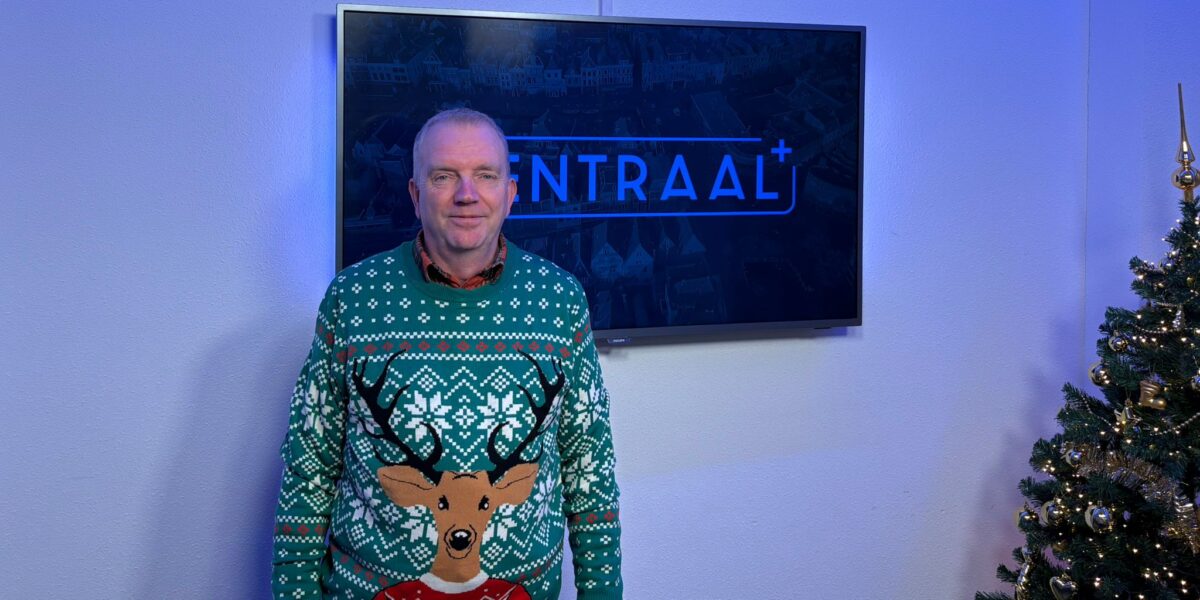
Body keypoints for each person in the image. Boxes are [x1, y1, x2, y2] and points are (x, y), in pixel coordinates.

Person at [271, 108, 622, 600]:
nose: (466, 193)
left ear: (510, 193)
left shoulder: (561, 301)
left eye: (485, 175)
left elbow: (590, 469)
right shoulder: (351, 299)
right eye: (443, 176)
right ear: (415, 195)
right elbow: (308, 471)